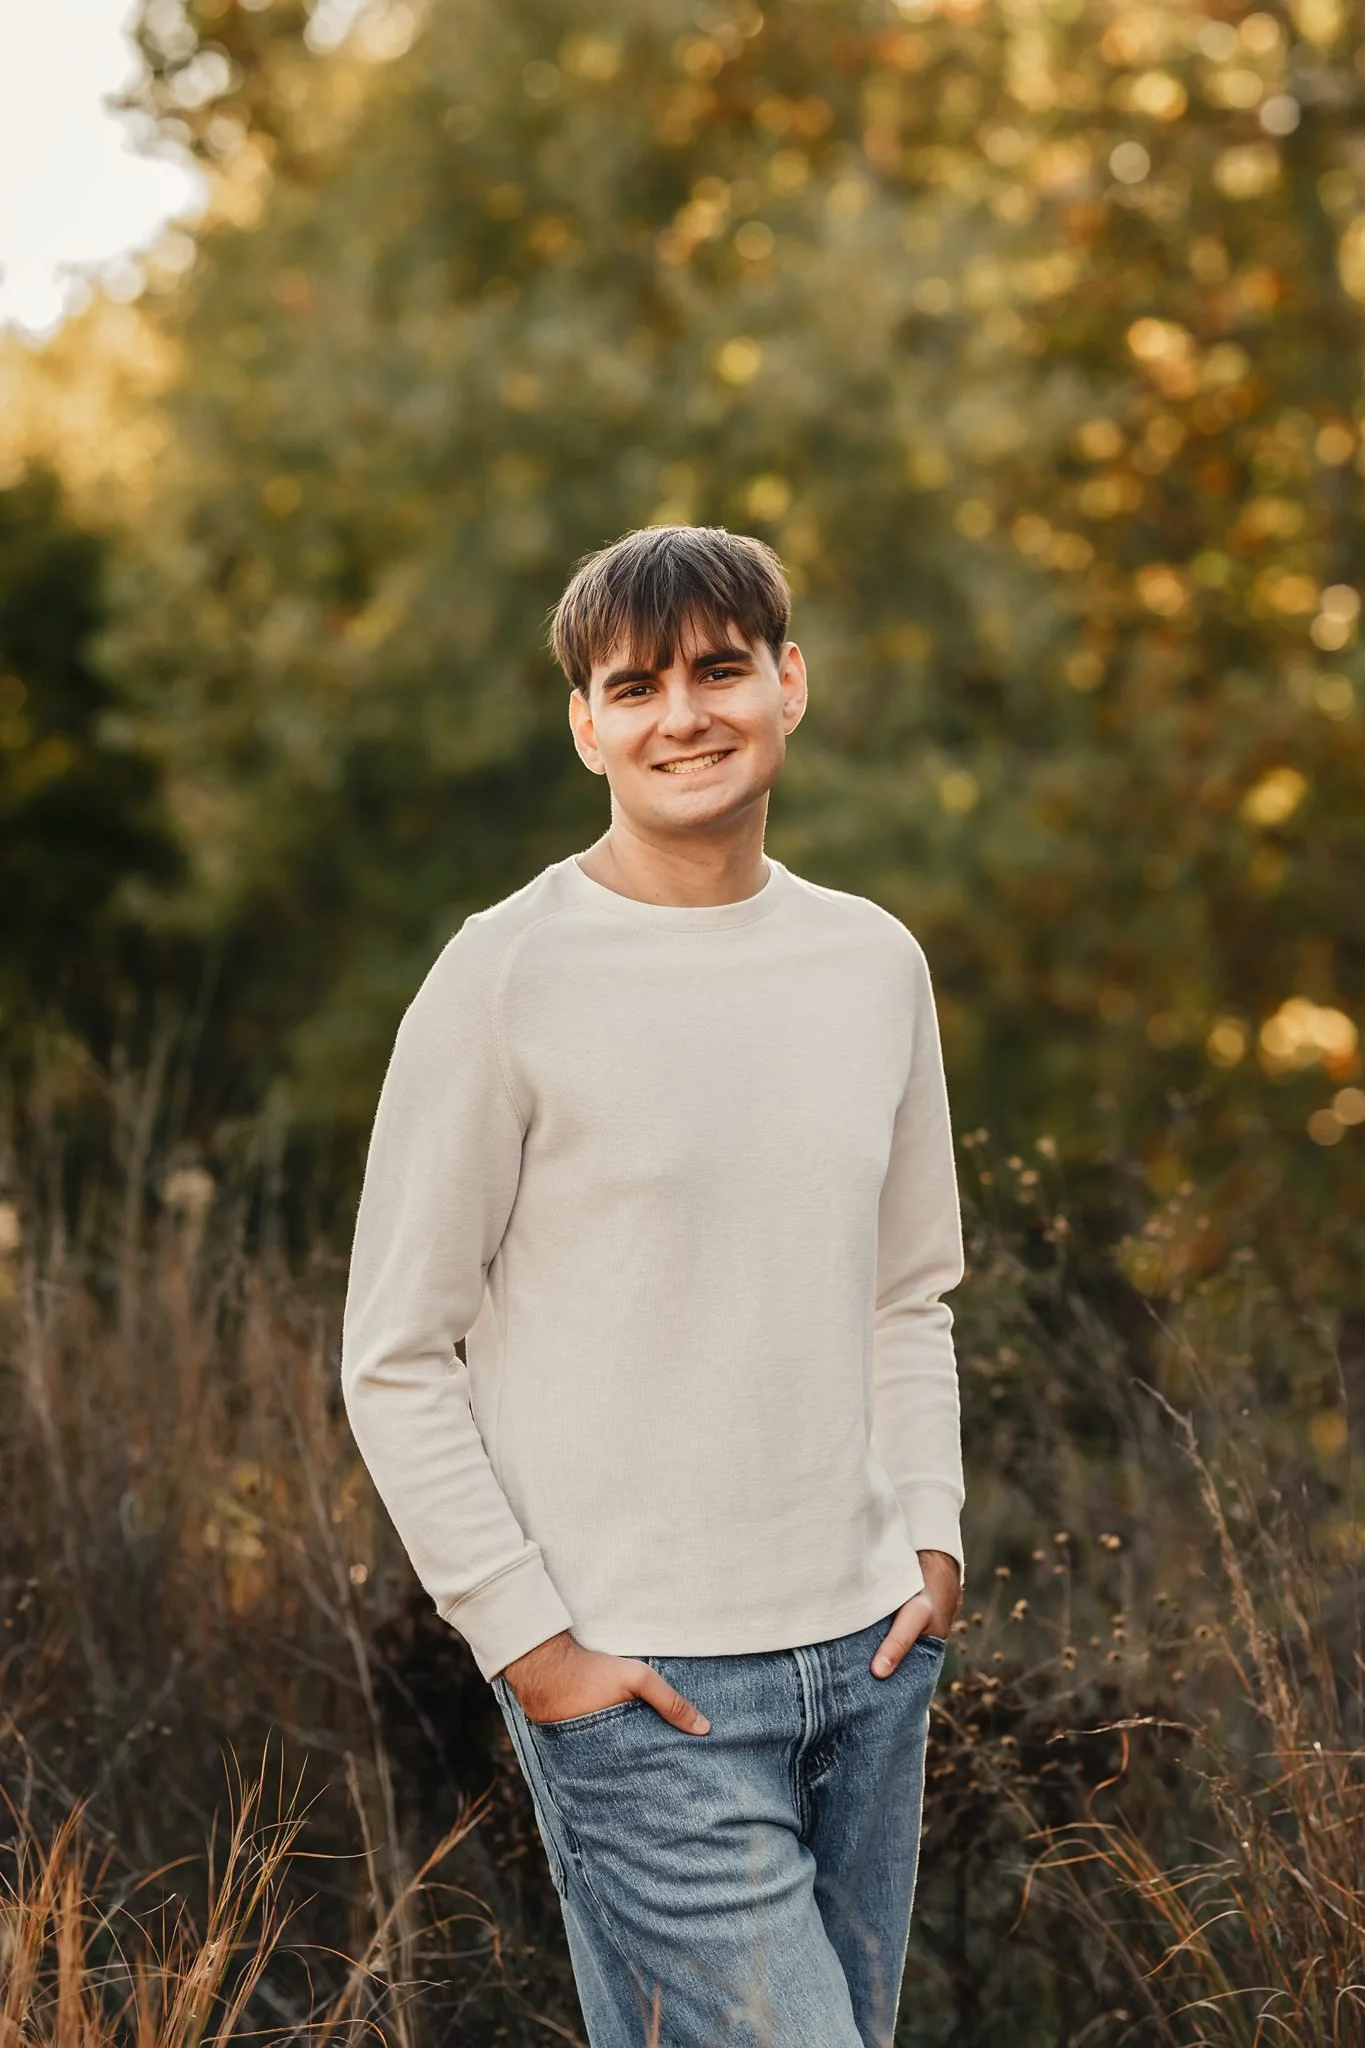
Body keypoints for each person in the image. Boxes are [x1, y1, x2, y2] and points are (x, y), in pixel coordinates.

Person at [341, 524, 967, 2048]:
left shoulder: (872, 963)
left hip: (870, 1660)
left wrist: (934, 1542)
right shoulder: (504, 976)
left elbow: (909, 1294)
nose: (682, 716)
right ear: (587, 726)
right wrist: (533, 1647)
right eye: (635, 687)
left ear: (789, 684)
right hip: (642, 1687)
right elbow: (397, 1354)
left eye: (719, 671)